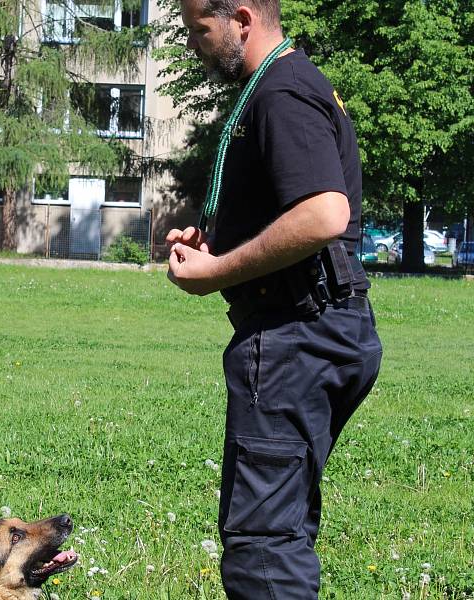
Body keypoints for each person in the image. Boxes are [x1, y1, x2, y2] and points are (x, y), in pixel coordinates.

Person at [165, 0, 383, 598]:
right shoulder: (284, 83)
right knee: (281, 526)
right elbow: (293, 210)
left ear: (240, 18)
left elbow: (322, 213)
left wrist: (219, 272)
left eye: (197, 30)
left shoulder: (282, 93)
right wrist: (218, 243)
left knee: (263, 541)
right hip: (316, 329)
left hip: (295, 339)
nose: (192, 45)